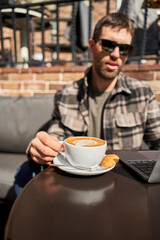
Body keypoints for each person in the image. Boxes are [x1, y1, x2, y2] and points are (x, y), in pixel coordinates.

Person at [14, 12, 160, 194]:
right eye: (108, 45)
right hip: (74, 184)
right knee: (23, 175)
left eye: (124, 49)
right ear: (91, 45)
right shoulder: (67, 94)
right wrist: (40, 149)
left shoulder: (142, 94)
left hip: (124, 185)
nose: (116, 54)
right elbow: (56, 137)